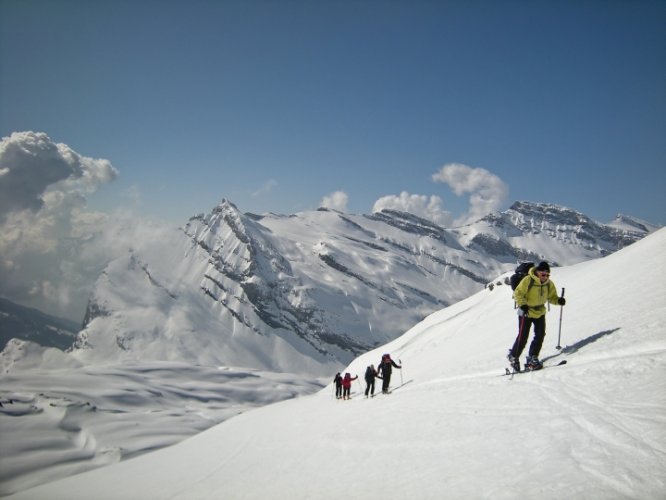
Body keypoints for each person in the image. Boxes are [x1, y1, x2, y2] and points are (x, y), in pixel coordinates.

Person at [507, 261, 565, 371]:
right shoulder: (528, 280)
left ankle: (532, 357)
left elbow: (552, 297)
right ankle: (513, 356)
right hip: (526, 311)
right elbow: (518, 293)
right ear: (537, 272)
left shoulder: (548, 284)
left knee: (540, 335)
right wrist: (522, 304)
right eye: (543, 274)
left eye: (547, 275)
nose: (545, 277)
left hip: (540, 312)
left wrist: (559, 301)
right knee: (523, 336)